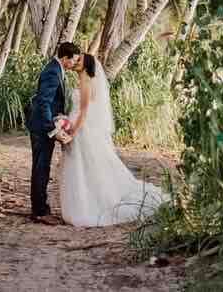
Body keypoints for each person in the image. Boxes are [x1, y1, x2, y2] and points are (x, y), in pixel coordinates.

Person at [60, 53, 168, 227]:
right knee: (86, 167)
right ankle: (88, 200)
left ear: (86, 66)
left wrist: (72, 132)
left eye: (79, 60)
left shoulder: (86, 82)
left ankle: (89, 204)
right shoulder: (85, 81)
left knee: (85, 167)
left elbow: (84, 113)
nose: (75, 62)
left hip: (82, 130)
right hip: (81, 128)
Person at [25, 41, 81, 224]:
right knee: (41, 168)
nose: (74, 63)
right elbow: (43, 102)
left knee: (42, 167)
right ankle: (39, 211)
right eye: (73, 60)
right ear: (65, 58)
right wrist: (52, 129)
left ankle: (40, 207)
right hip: (42, 127)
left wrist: (60, 118)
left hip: (44, 125)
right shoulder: (52, 71)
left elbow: (52, 102)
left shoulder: (56, 69)